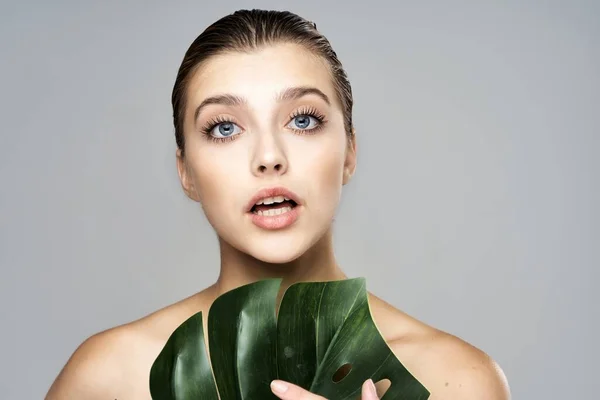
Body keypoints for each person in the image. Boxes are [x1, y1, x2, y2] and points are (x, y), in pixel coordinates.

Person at [45, 9, 510, 400]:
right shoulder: (106, 377)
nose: (269, 158)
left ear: (349, 150)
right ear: (185, 171)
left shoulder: (459, 381)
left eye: (303, 120)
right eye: (224, 128)